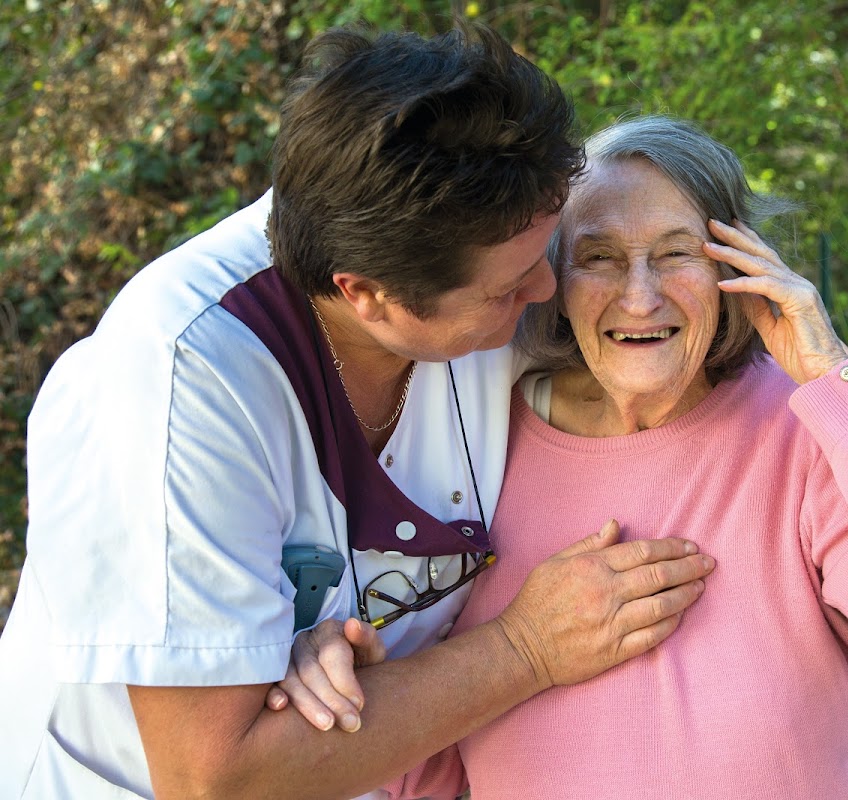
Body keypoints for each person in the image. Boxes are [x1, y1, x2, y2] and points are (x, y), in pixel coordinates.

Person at [0, 28, 720, 799]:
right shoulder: (176, 388)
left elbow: (671, 332)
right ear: (365, 294)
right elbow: (215, 778)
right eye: (508, 291)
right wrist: (528, 648)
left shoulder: (469, 229)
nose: (545, 295)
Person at [288, 115, 848, 799]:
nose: (640, 296)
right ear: (550, 280)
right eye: (601, 257)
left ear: (736, 269)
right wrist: (349, 669)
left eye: (677, 253)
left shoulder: (805, 430)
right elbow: (431, 772)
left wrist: (833, 373)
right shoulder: (479, 444)